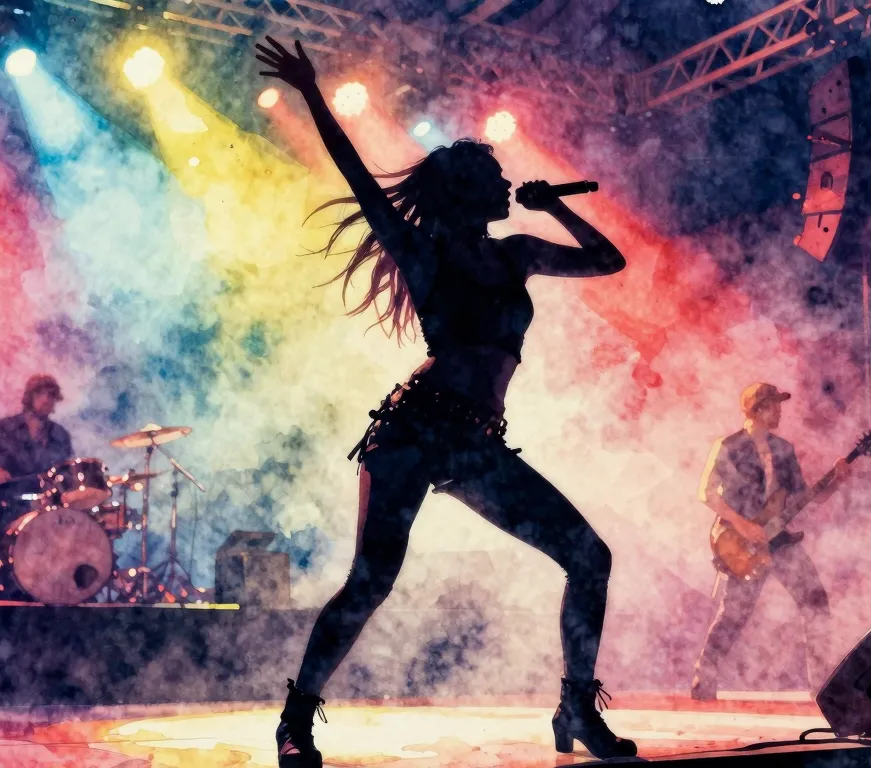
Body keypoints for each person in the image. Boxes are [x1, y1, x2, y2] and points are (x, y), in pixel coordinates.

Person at [255, 36, 636, 763]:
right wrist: (311, 94)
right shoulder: (422, 251)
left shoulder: (518, 252)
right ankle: (295, 720)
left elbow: (608, 260)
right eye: (492, 176)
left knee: (589, 557)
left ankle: (576, 707)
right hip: (413, 429)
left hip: (475, 443)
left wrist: (555, 207)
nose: (505, 183)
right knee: (371, 580)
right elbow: (358, 177)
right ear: (463, 190)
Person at [691, 383, 850, 700]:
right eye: (773, 405)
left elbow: (806, 497)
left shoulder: (783, 449)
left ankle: (821, 684)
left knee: (815, 602)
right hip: (742, 542)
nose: (779, 411)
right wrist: (743, 525)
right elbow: (706, 493)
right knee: (734, 614)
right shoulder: (729, 446)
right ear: (756, 409)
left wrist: (835, 480)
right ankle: (703, 678)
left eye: (779, 405)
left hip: (779, 541)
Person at [0, 374, 73, 538]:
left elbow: (67, 476)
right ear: (29, 397)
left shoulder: (60, 435)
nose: (46, 399)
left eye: (51, 395)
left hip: (47, 514)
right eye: (41, 394)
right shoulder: (4, 428)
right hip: (8, 510)